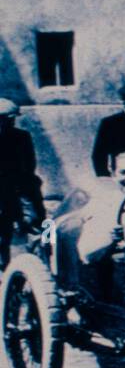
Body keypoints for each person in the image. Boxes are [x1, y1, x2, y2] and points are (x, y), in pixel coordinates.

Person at [0, 98, 45, 268]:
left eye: (11, 120)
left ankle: (42, 264)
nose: (9, 123)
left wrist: (27, 202)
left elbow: (28, 167)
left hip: (22, 191)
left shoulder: (22, 137)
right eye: (6, 119)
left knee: (39, 226)